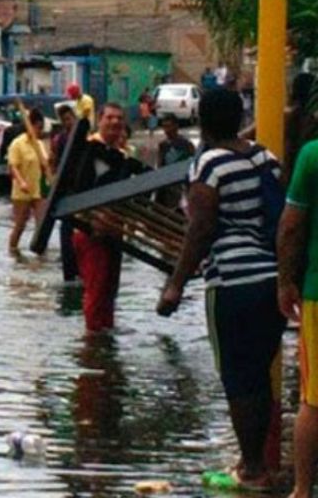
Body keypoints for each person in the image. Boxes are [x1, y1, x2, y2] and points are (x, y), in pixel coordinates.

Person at [157, 89, 285, 493]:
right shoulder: (265, 158)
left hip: (231, 282)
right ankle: (259, 464)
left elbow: (201, 229)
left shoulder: (209, 166)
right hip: (271, 280)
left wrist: (175, 284)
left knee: (235, 377)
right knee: (259, 375)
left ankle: (251, 471)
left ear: (204, 121)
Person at [67, 103, 138, 333]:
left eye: (119, 119)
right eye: (110, 118)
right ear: (100, 119)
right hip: (90, 231)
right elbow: (77, 187)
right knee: (96, 291)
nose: (115, 123)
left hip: (112, 230)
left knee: (109, 292)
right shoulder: (87, 149)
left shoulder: (120, 157)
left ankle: (102, 339)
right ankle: (92, 343)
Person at [280, 137, 318, 498]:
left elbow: (291, 226)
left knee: (314, 399)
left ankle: (303, 490)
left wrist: (285, 281)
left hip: (317, 292)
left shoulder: (311, 154)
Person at [7, 107, 48, 255]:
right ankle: (13, 250)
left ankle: (40, 253)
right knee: (20, 225)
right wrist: (21, 182)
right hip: (22, 191)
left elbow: (46, 166)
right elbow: (13, 167)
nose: (40, 131)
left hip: (38, 191)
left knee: (41, 224)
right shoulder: (18, 144)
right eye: (38, 128)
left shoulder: (41, 145)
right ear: (31, 126)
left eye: (42, 128)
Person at [51, 104, 79, 282]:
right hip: (65, 185)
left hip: (79, 184)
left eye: (69, 119)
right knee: (66, 226)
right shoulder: (60, 139)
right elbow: (54, 160)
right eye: (64, 120)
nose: (67, 122)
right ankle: (69, 264)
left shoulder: (81, 137)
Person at [155, 114, 196, 209]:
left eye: (169, 126)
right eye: (164, 127)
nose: (167, 130)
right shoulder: (163, 145)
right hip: (168, 183)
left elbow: (194, 162)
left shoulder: (186, 144)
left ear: (176, 126)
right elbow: (160, 164)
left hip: (182, 182)